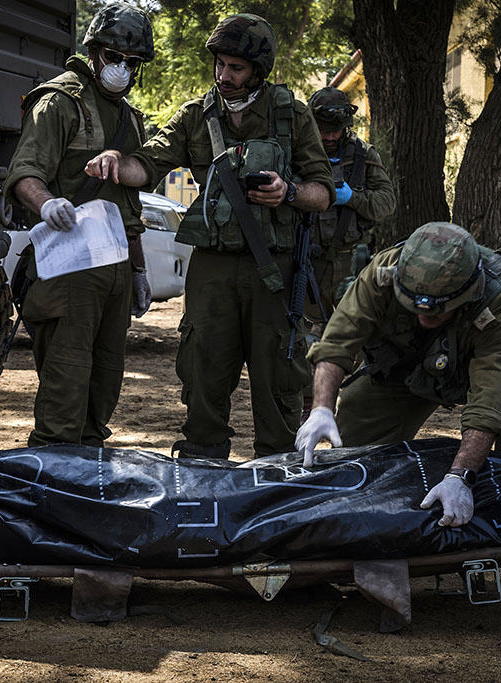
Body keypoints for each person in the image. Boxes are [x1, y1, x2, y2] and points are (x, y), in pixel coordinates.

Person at [296, 221, 501, 607]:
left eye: (437, 310)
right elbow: (336, 344)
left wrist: (460, 475)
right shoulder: (382, 275)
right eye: (416, 305)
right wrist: (322, 407)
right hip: (414, 359)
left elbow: (489, 400)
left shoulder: (499, 302)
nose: (425, 315)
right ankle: (364, 538)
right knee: (356, 434)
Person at [85, 14, 334, 458]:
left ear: (258, 69)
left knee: (278, 381)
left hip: (274, 270)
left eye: (235, 68)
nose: (224, 76)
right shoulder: (197, 115)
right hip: (212, 268)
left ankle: (276, 478)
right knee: (202, 371)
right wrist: (117, 163)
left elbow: (322, 192)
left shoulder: (290, 113)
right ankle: (202, 472)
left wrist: (288, 191)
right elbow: (150, 162)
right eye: (219, 64)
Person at [3, 2, 154, 448]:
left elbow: (130, 206)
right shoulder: (59, 102)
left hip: (116, 269)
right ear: (94, 51)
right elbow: (24, 172)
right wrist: (46, 203)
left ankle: (85, 487)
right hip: (69, 269)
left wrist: (140, 270)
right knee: (64, 397)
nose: (121, 69)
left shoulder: (130, 118)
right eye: (114, 58)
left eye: (132, 63)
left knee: (103, 388)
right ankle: (49, 489)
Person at [305, 86, 395, 318]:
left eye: (336, 130)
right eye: (324, 130)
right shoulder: (300, 154)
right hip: (307, 260)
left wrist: (353, 198)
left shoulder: (363, 155)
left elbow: (387, 203)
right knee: (307, 335)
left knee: (353, 331)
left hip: (351, 261)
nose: (331, 137)